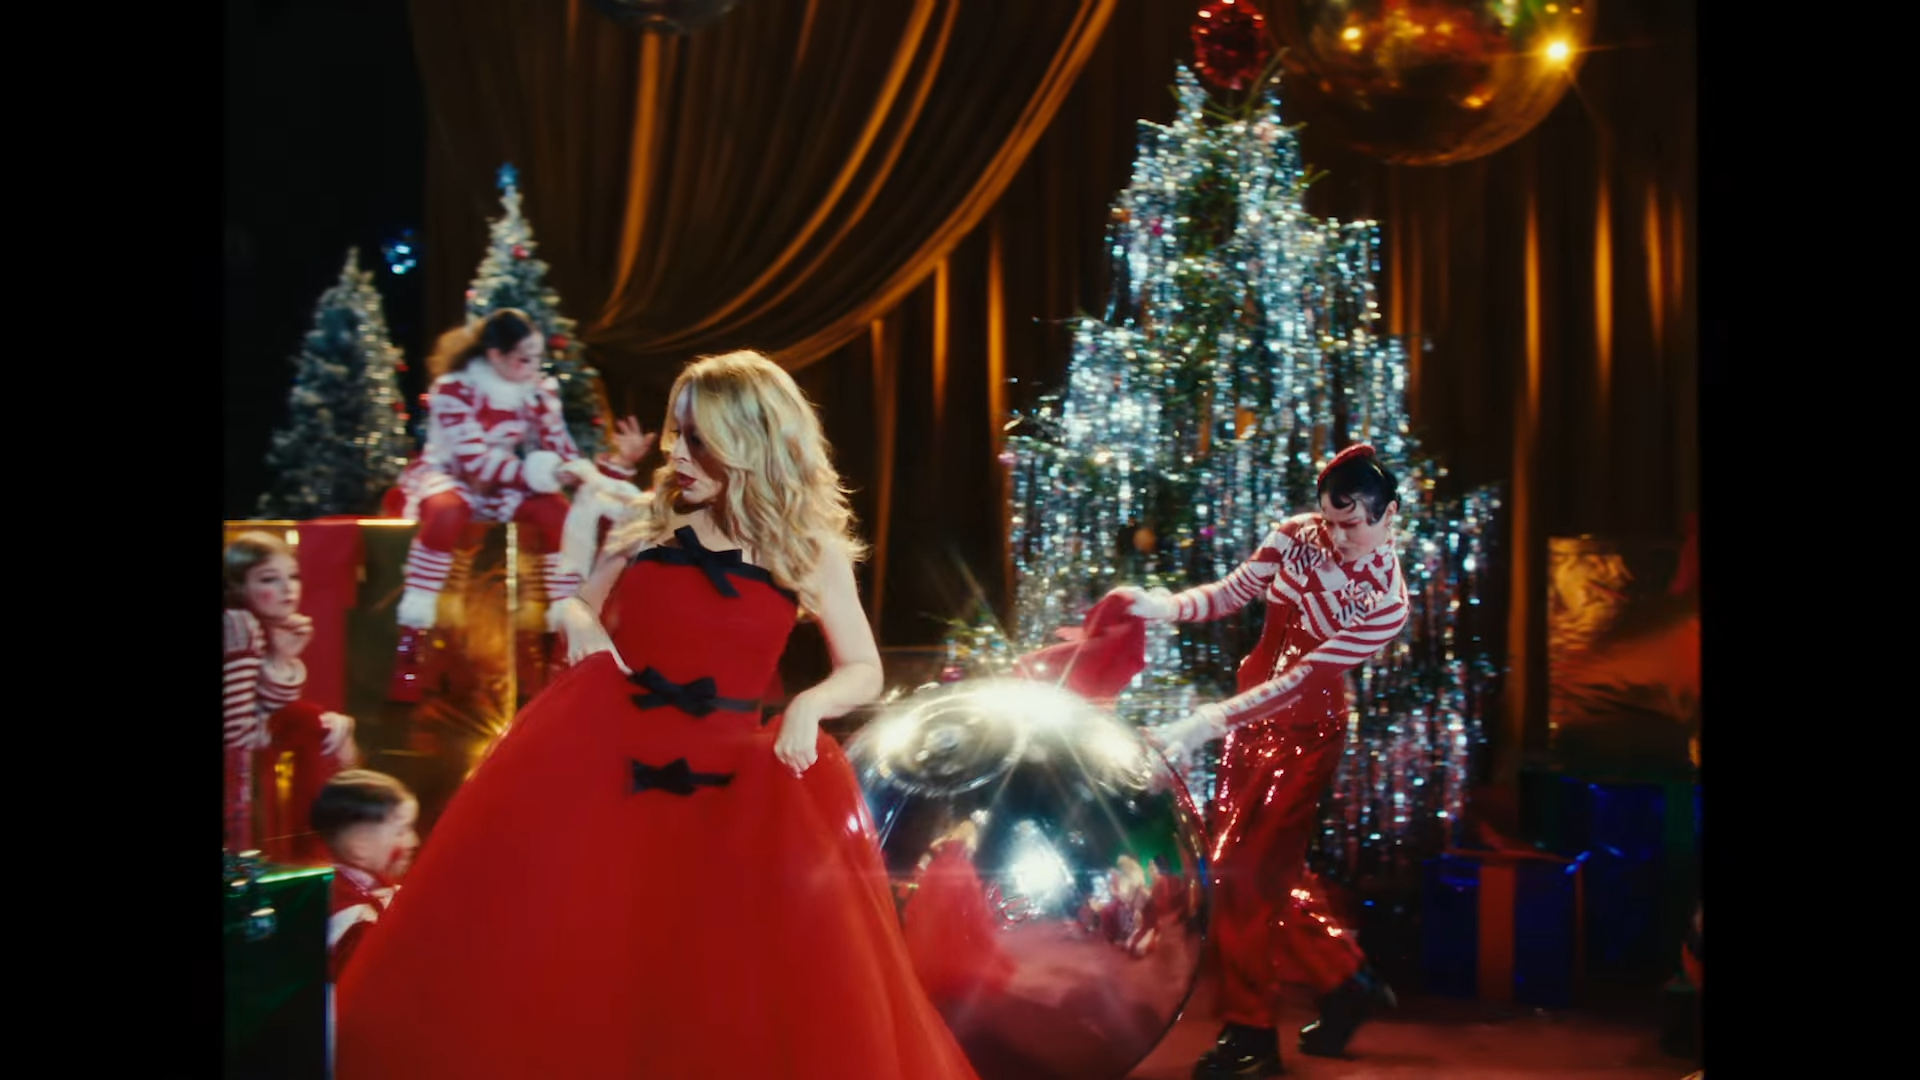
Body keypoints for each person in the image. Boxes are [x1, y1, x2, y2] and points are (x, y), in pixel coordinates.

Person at [337, 350, 980, 1080]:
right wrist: (582, 627)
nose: (676, 454)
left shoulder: (807, 547)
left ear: (751, 442)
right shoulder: (646, 520)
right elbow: (579, 603)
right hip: (609, 766)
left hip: (734, 794)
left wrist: (810, 704)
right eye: (677, 434)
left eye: (697, 439)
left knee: (716, 981)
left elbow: (862, 667)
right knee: (580, 955)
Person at [1108, 443, 1408, 1078]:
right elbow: (1232, 592)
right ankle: (1344, 978)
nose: (1337, 537)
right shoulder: (1297, 535)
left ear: (1389, 515)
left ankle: (1251, 1033)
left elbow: (1301, 680)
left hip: (1303, 737)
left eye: (1352, 525)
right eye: (1330, 520)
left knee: (1242, 876)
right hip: (1249, 726)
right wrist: (1164, 607)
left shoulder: (1387, 602)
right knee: (1259, 869)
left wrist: (1204, 723)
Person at [388, 308, 655, 702]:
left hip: (506, 484)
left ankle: (562, 639)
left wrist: (598, 470)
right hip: (455, 477)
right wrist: (541, 472)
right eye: (523, 359)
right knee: (447, 512)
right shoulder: (455, 390)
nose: (533, 368)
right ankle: (413, 643)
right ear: (496, 355)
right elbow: (474, 462)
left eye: (536, 359)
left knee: (557, 514)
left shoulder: (538, 391)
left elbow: (561, 448)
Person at [224, 531, 357, 858]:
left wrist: (282, 658)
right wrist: (319, 726)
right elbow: (238, 736)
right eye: (269, 579)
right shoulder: (239, 624)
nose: (288, 589)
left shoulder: (253, 625)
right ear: (238, 586)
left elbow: (265, 712)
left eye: (294, 576)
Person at [311, 770, 420, 982]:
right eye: (401, 831)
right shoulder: (353, 922)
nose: (413, 841)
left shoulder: (378, 888)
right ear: (360, 845)